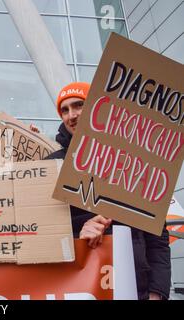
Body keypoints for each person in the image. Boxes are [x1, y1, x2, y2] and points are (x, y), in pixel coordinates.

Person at [46, 82, 171, 300]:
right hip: (80, 286)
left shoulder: (134, 161)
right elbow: (47, 232)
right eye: (64, 110)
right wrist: (78, 234)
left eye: (78, 105)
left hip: (135, 286)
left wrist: (157, 293)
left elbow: (157, 235)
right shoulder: (52, 166)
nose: (71, 115)